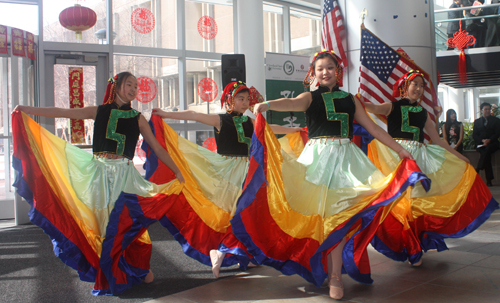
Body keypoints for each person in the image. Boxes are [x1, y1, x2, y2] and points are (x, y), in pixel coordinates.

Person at [229, 50, 431, 300]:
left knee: (337, 217)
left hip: (347, 162)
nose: (325, 72)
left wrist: (400, 149)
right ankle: (322, 266)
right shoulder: (309, 97)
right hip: (318, 161)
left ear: (338, 70)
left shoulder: (351, 100)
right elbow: (291, 104)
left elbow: (373, 129)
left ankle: (335, 275)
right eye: (320, 68)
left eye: (329, 67)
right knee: (320, 219)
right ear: (313, 73)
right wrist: (268, 104)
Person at [12, 72, 185, 295]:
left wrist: (177, 170)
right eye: (129, 84)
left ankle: (139, 268)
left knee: (127, 224)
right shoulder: (99, 111)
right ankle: (109, 270)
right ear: (116, 86)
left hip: (124, 176)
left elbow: (158, 148)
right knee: (101, 225)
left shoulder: (138, 117)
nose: (133, 89)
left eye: (136, 86)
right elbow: (63, 112)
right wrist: (28, 109)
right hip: (99, 175)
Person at [148, 81, 302, 279]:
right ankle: (221, 251)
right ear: (229, 100)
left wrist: (296, 131)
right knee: (234, 211)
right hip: (227, 171)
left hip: (248, 170)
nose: (245, 102)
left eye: (247, 99)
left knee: (245, 211)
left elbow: (270, 128)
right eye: (240, 98)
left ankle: (236, 252)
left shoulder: (250, 122)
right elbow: (194, 115)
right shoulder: (220, 120)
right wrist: (166, 114)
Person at [363, 70, 498, 269]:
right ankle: (410, 246)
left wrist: (460, 156)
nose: (418, 88)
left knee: (415, 204)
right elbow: (372, 107)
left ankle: (414, 245)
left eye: (421, 85)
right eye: (414, 84)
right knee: (400, 205)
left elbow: (437, 140)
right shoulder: (392, 106)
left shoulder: (423, 113)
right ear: (405, 87)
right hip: (396, 157)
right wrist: (355, 102)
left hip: (418, 159)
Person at [473, 102, 500, 186]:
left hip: (493, 143)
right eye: (486, 109)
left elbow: (498, 133)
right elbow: (474, 135)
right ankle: (489, 180)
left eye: (489, 109)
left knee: (487, 150)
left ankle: (478, 168)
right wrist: (482, 141)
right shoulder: (477, 122)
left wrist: (489, 140)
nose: (488, 111)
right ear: (481, 110)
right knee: (486, 154)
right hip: (481, 144)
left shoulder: (496, 120)